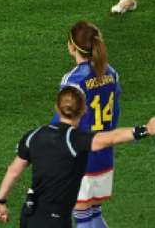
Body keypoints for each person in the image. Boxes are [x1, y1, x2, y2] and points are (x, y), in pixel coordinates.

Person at [0, 87, 155, 226]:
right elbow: (113, 137)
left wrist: (0, 201)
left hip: (29, 216)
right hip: (55, 220)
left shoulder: (33, 135)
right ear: (84, 110)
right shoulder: (77, 140)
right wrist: (146, 129)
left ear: (56, 108)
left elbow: (13, 171)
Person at [54, 22, 121, 227]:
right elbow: (116, 113)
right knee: (93, 213)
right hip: (104, 154)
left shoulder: (73, 81)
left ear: (72, 47)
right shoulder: (111, 73)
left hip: (81, 157)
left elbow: (62, 123)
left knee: (82, 217)